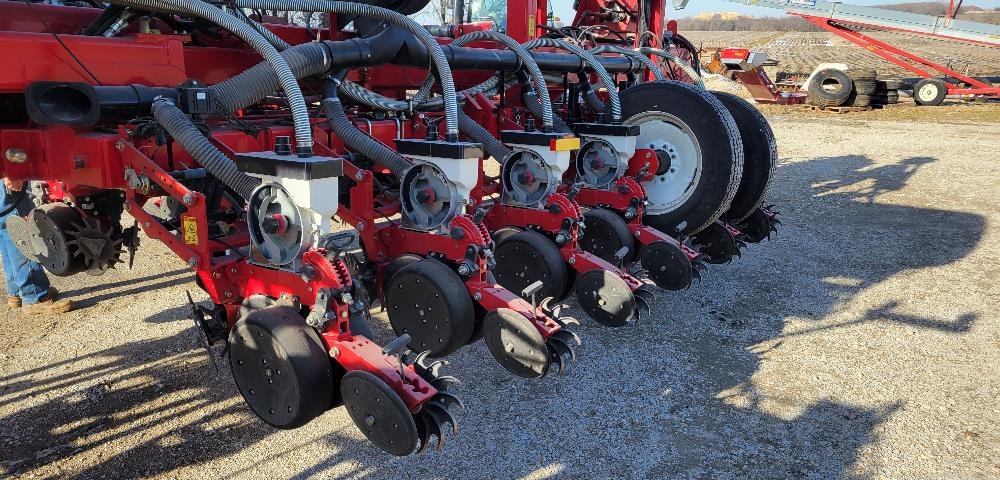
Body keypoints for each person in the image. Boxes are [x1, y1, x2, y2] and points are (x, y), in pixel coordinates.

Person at [0, 178, 73, 314]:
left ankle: (16, 291)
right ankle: (35, 295)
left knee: (6, 230)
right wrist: (12, 174)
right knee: (21, 229)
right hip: (5, 178)